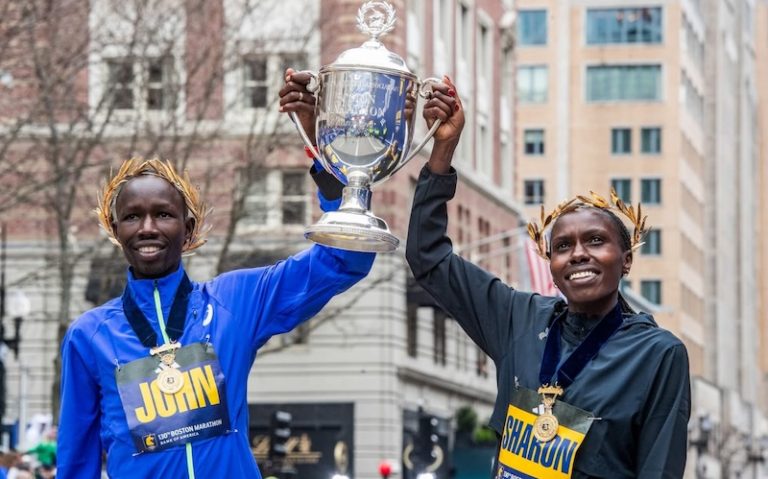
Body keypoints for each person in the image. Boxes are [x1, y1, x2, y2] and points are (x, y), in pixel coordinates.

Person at [405, 80, 691, 478]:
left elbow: (659, 470)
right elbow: (428, 257)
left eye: (595, 241)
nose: (578, 253)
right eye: (562, 246)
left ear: (626, 260)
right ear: (552, 266)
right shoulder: (517, 318)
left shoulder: (659, 353)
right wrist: (442, 150)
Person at [57, 155, 375, 478]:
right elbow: (75, 466)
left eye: (163, 214)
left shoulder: (234, 302)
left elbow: (346, 258)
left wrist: (329, 161)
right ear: (115, 229)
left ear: (188, 228)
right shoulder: (89, 336)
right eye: (132, 217)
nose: (148, 228)